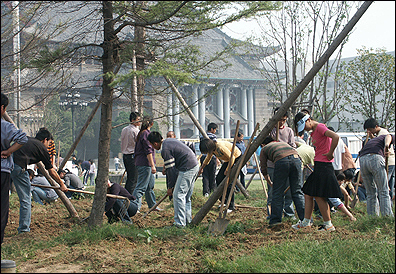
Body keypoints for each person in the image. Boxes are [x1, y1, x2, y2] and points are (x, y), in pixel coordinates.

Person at [291, 112, 343, 232]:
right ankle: (306, 222)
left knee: (319, 196)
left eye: (305, 126)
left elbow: (335, 137)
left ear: (309, 120)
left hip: (324, 165)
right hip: (319, 165)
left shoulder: (320, 127)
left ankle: (328, 225)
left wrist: (330, 153)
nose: (304, 129)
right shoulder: (313, 132)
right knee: (308, 193)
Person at [10, 127, 68, 233]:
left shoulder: (27, 139)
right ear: (45, 140)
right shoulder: (42, 148)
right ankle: (24, 229)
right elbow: (51, 171)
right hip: (18, 167)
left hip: (6, 164)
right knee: (26, 199)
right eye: (49, 143)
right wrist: (61, 184)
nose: (49, 146)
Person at [148, 131, 200, 228]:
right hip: (194, 165)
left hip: (187, 168)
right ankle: (188, 221)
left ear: (155, 143)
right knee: (186, 196)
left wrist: (170, 187)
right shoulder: (170, 140)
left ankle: (180, 223)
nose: (153, 148)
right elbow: (190, 144)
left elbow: (171, 171)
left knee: (178, 195)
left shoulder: (165, 150)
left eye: (151, 145)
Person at [1, 92, 28, 248]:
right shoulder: (5, 126)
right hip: (3, 171)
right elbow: (22, 138)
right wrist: (8, 151)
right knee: (3, 206)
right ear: (2, 108)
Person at [259, 136, 305, 226]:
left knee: (278, 193)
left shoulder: (264, 149)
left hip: (282, 161)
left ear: (263, 144)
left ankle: (275, 221)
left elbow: (263, 169)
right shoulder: (282, 143)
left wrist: (270, 183)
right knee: (297, 192)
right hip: (297, 159)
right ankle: (306, 219)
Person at [267, 107, 296, 219]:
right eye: (279, 119)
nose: (281, 122)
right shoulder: (269, 130)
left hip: (286, 164)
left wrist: (283, 147)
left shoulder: (289, 131)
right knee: (272, 191)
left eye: (283, 120)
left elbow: (293, 146)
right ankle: (272, 214)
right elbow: (264, 145)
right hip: (272, 165)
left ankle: (289, 214)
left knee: (288, 191)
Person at [199, 137, 241, 213]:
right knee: (218, 179)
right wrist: (201, 168)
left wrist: (227, 170)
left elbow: (232, 158)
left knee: (229, 182)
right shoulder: (212, 150)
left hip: (236, 158)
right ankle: (224, 201)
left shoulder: (220, 146)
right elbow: (208, 158)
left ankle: (231, 206)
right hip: (228, 160)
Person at [358, 134, 394, 217]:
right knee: (383, 191)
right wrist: (387, 146)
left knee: (370, 193)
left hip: (363, 160)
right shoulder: (386, 136)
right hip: (375, 158)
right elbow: (388, 136)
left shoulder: (372, 141)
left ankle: (372, 217)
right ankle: (387, 216)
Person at [364, 118, 395, 203]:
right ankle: (389, 205)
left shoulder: (383, 133)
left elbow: (383, 145)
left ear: (376, 126)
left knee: (383, 186)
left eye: (370, 129)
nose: (369, 131)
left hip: (388, 161)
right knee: (389, 186)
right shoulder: (378, 134)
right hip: (391, 161)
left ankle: (385, 206)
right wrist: (371, 137)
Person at [132, 117, 159, 212]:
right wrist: (152, 165)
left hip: (144, 163)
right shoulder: (146, 135)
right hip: (145, 163)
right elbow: (148, 151)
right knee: (141, 187)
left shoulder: (142, 133)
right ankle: (135, 207)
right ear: (151, 124)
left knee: (149, 187)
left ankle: (152, 205)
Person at [121, 111, 141, 194]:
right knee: (133, 179)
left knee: (130, 178)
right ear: (133, 120)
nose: (140, 122)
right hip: (132, 155)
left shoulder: (124, 129)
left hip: (125, 156)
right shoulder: (135, 131)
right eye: (138, 120)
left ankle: (126, 194)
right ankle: (129, 197)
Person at [199, 122, 219, 197]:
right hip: (212, 157)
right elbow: (215, 147)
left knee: (205, 175)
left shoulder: (202, 136)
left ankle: (206, 192)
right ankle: (213, 190)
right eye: (215, 129)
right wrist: (217, 159)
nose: (215, 131)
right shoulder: (213, 137)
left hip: (203, 156)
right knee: (212, 174)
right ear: (212, 129)